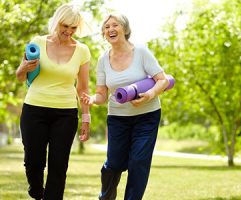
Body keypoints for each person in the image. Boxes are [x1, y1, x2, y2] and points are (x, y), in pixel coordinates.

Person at [81, 13, 170, 200]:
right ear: (104, 33)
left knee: (138, 161)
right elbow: (102, 95)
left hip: (147, 116)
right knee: (114, 163)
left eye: (115, 25)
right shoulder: (103, 60)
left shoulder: (141, 52)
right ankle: (105, 196)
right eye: (106, 27)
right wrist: (92, 99)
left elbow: (162, 80)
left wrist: (150, 95)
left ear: (125, 29)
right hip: (118, 118)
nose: (110, 29)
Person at [16, 3, 92, 200]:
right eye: (64, 26)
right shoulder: (38, 42)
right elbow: (20, 77)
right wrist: (23, 67)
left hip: (65, 113)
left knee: (59, 165)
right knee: (33, 161)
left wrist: (86, 118)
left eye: (73, 27)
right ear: (57, 22)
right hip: (34, 109)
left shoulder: (82, 50)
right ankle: (36, 191)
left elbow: (83, 88)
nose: (68, 31)